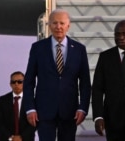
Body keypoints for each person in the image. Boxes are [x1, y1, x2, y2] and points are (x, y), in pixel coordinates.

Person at [22, 9, 91, 141]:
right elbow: (29, 81)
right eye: (54, 23)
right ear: (49, 25)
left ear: (68, 26)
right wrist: (30, 108)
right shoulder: (38, 48)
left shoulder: (79, 49)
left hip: (70, 111)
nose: (58, 27)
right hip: (44, 111)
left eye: (61, 23)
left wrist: (83, 108)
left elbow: (85, 83)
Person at [0, 71, 36, 141]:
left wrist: (21, 137)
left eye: (19, 82)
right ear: (10, 84)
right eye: (13, 82)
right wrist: (11, 137)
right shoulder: (2, 100)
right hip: (6, 139)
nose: (16, 84)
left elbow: (35, 122)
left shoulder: (31, 100)